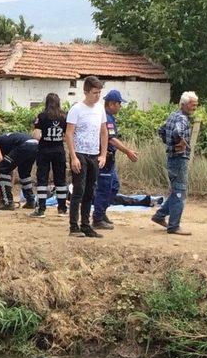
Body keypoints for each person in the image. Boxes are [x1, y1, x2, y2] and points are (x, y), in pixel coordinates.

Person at [65, 76, 108, 238]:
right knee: (79, 189)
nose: (97, 96)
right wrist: (73, 157)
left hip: (94, 154)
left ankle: (85, 224)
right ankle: (73, 226)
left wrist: (103, 154)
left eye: (99, 93)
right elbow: (69, 134)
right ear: (86, 92)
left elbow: (104, 132)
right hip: (80, 153)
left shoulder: (100, 109)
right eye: (94, 92)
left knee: (90, 190)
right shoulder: (77, 109)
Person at [151, 91, 199, 236]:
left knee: (176, 190)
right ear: (184, 104)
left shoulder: (173, 115)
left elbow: (161, 130)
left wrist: (170, 144)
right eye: (192, 105)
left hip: (172, 158)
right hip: (179, 159)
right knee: (180, 192)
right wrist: (180, 143)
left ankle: (159, 216)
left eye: (196, 105)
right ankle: (174, 226)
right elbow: (177, 132)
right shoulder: (182, 119)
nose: (194, 108)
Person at [92, 90, 140, 230]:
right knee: (104, 189)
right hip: (104, 159)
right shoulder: (106, 118)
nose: (120, 107)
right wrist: (127, 151)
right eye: (119, 104)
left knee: (114, 187)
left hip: (110, 160)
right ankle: (97, 219)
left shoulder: (109, 117)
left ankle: (101, 212)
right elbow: (111, 140)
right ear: (112, 104)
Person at [29, 93, 68, 218]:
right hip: (59, 151)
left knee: (42, 180)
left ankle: (41, 209)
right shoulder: (64, 116)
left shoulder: (41, 116)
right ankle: (62, 208)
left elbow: (36, 135)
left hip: (44, 151)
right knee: (60, 179)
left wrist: (44, 138)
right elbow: (68, 136)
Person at [0, 132, 38, 211]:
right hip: (35, 144)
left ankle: (7, 202)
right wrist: (9, 186)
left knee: (2, 168)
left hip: (25, 145)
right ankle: (31, 201)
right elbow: (10, 169)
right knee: (24, 173)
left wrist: (4, 189)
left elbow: (2, 165)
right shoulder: (5, 143)